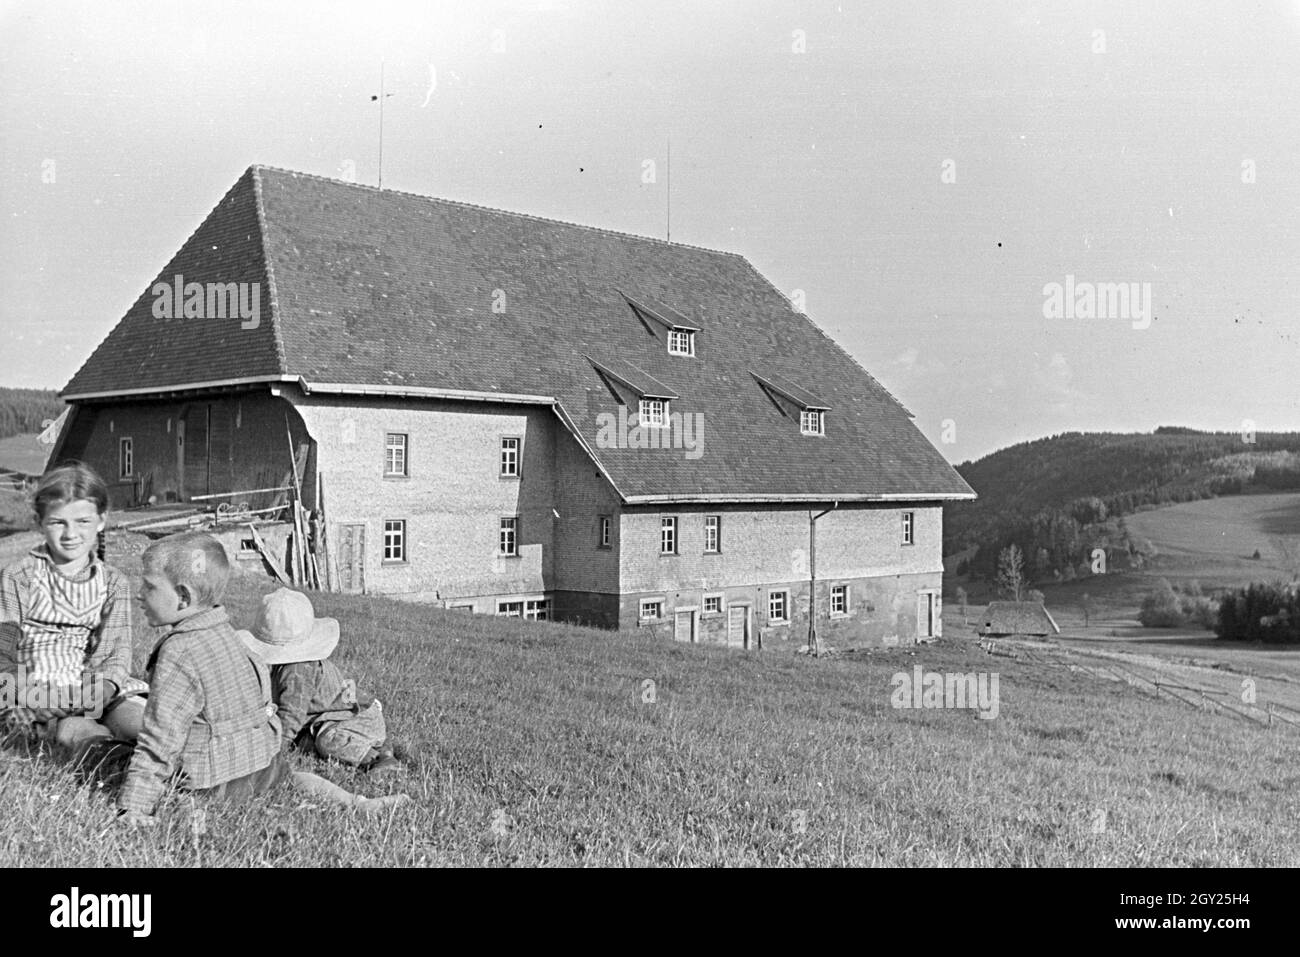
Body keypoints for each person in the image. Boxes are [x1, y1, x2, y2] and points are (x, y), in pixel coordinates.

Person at [116, 532, 407, 825]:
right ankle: (357, 803)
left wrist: (135, 806)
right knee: (292, 779)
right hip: (262, 768)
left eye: (149, 586)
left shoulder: (179, 651)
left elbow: (160, 736)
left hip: (211, 781)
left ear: (183, 597)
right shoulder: (228, 637)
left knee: (104, 749)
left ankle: (189, 810)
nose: (139, 593)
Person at [0, 463, 147, 752]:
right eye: (58, 522)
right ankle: (115, 757)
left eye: (83, 522)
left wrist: (101, 690)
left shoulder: (113, 582)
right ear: (39, 521)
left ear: (101, 520)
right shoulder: (20, 577)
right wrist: (29, 694)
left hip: (92, 687)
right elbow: (2, 652)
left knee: (140, 720)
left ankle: (175, 752)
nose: (71, 534)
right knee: (76, 731)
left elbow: (114, 653)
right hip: (37, 692)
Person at [240, 588, 405, 775]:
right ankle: (374, 745)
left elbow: (291, 715)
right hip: (326, 719)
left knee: (327, 741)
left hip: (355, 719)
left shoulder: (299, 670)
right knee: (306, 744)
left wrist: (272, 752)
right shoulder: (281, 666)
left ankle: (379, 758)